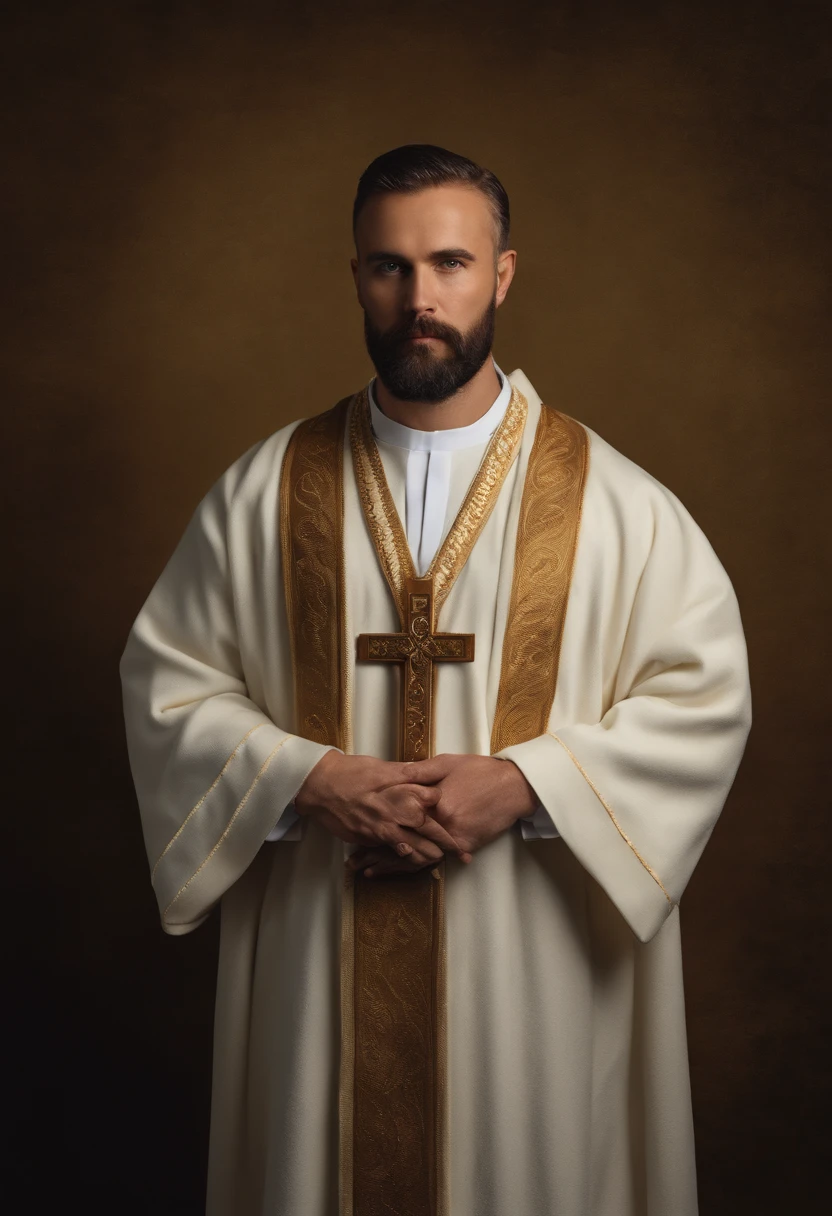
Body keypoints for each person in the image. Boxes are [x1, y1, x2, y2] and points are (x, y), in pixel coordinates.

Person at [120, 143, 752, 1216]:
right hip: (323, 950)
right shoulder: (263, 493)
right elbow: (170, 687)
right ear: (356, 275)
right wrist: (308, 777)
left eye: (451, 263)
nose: (421, 298)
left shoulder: (618, 507)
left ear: (502, 273)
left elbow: (702, 701)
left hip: (536, 974)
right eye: (390, 267)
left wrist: (528, 783)